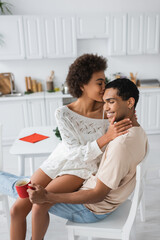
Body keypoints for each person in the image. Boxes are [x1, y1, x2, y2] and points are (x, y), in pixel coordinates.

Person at [8, 54, 131, 240]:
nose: (104, 87)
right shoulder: (63, 114)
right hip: (59, 160)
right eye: (99, 82)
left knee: (40, 204)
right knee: (17, 209)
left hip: (82, 168)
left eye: (104, 81)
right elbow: (72, 151)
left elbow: (126, 132)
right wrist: (105, 138)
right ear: (82, 84)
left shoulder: (109, 110)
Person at [26, 78, 148, 240]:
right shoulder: (138, 132)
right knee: (50, 181)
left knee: (37, 202)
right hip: (107, 197)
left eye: (111, 102)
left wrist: (47, 197)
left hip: (92, 209)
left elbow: (98, 195)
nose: (106, 108)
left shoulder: (121, 144)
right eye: (104, 102)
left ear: (130, 102)